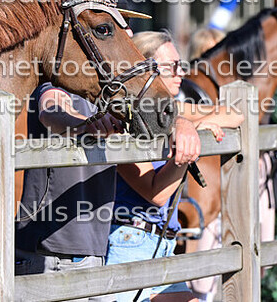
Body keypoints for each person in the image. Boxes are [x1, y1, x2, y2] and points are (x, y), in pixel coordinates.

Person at [15, 78, 202, 301]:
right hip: (50, 250)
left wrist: (183, 124)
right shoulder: (54, 83)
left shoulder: (109, 97)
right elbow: (52, 112)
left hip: (94, 249)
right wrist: (86, 124)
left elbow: (155, 116)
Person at [106, 31, 243, 302]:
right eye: (172, 67)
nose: (182, 73)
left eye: (181, 65)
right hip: (128, 243)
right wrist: (184, 150)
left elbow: (235, 113)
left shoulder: (170, 109)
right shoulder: (120, 120)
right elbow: (156, 194)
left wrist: (194, 129)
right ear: (145, 70)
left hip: (164, 246)